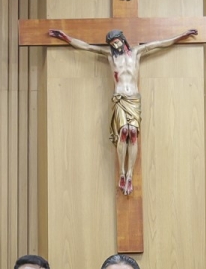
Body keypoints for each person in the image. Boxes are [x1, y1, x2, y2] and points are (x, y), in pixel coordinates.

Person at [47, 27, 197, 195]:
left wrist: (180, 37)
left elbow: (160, 44)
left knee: (133, 133)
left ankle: (130, 173)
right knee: (123, 132)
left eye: (116, 41)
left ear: (122, 39)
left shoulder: (137, 52)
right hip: (119, 97)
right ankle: (122, 173)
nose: (115, 45)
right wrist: (67, 37)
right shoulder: (110, 56)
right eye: (111, 43)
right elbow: (87, 47)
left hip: (133, 98)